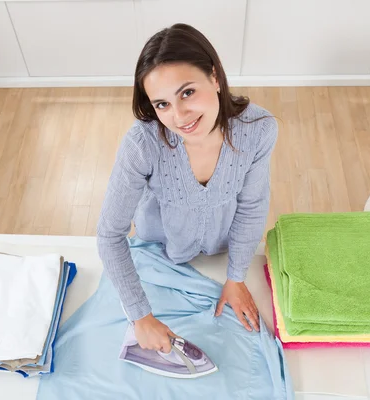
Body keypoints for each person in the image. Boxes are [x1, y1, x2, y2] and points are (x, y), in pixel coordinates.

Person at [96, 23, 278, 354]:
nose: (179, 117)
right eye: (162, 104)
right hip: (159, 252)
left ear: (215, 77)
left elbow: (252, 206)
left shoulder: (258, 130)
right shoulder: (142, 145)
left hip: (223, 254)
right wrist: (140, 317)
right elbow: (110, 235)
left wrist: (236, 278)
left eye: (187, 92)